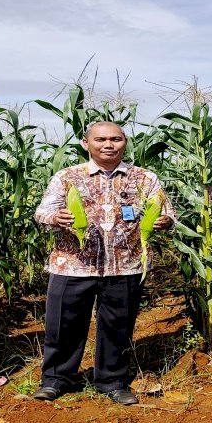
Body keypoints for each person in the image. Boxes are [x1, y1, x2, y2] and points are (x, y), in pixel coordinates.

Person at [32, 121, 174, 405]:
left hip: (125, 265)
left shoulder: (144, 178)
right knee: (63, 325)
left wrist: (164, 220)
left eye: (116, 139)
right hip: (72, 264)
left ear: (125, 142)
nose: (108, 145)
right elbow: (42, 212)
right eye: (100, 139)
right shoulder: (68, 176)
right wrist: (55, 218)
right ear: (86, 143)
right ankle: (56, 380)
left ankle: (112, 381)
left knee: (117, 326)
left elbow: (168, 213)